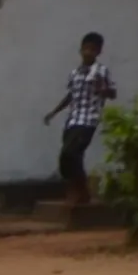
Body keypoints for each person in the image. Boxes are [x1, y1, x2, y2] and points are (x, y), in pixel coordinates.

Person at [52, 32, 116, 216]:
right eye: (85, 48)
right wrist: (55, 111)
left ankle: (79, 190)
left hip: (89, 119)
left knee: (71, 152)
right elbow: (71, 95)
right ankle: (79, 190)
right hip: (73, 119)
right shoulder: (75, 73)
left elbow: (112, 93)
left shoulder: (101, 71)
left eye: (92, 49)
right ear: (80, 50)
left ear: (98, 52)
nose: (88, 52)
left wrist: (101, 88)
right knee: (68, 158)